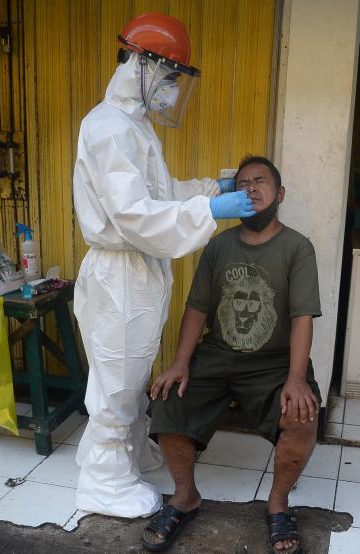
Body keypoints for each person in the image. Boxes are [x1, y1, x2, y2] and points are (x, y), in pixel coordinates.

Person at [72, 13, 257, 519]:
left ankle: (124, 455)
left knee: (129, 374)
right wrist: (208, 213)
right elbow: (134, 215)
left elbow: (159, 196)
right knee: (116, 381)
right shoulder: (109, 127)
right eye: (172, 76)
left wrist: (208, 191)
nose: (174, 90)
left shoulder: (134, 128)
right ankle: (103, 480)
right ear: (143, 65)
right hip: (120, 273)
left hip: (136, 272)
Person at [141, 156, 321, 553]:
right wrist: (179, 363)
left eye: (261, 181)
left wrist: (296, 378)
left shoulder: (297, 248)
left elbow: (302, 317)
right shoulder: (218, 246)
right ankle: (185, 496)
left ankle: (277, 504)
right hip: (218, 354)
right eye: (243, 184)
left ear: (281, 194)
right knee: (167, 397)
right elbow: (197, 309)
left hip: (273, 362)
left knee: (302, 413)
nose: (252, 188)